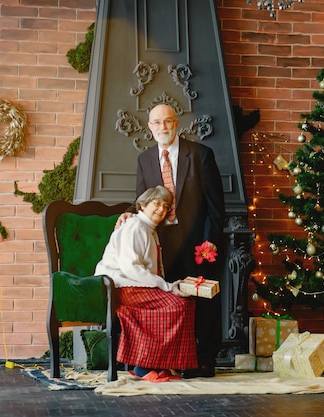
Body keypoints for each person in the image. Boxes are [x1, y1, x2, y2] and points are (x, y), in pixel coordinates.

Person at [117, 103, 226, 378]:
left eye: (167, 122)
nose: (162, 127)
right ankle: (175, 360)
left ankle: (204, 360)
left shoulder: (201, 155)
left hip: (196, 241)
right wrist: (128, 215)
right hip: (160, 241)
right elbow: (141, 200)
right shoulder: (144, 159)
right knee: (170, 300)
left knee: (202, 299)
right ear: (150, 127)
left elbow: (216, 206)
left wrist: (210, 239)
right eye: (156, 123)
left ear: (176, 124)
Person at [95, 186, 198, 382]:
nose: (161, 209)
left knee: (183, 303)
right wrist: (166, 286)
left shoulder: (149, 229)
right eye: (157, 204)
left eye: (165, 206)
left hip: (134, 285)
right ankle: (143, 367)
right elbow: (130, 268)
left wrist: (166, 286)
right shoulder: (134, 227)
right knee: (177, 305)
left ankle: (155, 365)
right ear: (143, 205)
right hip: (120, 286)